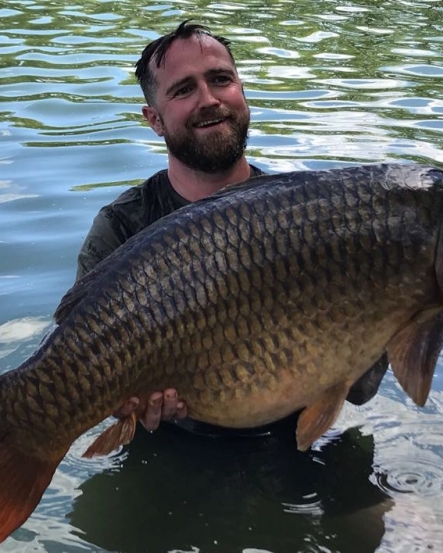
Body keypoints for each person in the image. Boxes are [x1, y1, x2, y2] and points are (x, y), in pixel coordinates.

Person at [75, 21, 387, 440]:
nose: (208, 99)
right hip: (173, 452)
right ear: (154, 119)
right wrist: (122, 403)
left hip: (296, 444)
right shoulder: (120, 228)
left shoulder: (306, 220)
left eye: (220, 80)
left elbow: (362, 390)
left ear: (242, 91)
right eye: (183, 90)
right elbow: (79, 369)